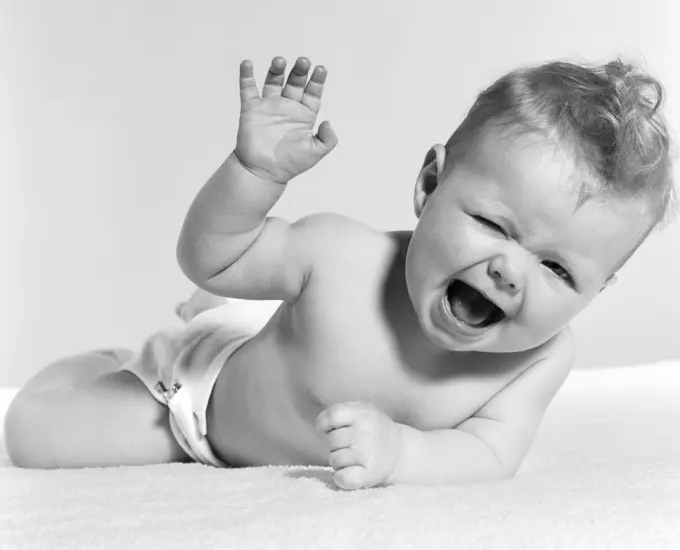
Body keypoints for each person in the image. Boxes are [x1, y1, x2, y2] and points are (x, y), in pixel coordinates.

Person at [5, 55, 675, 490]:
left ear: (598, 289)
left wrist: (401, 454)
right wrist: (255, 175)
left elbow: (491, 451)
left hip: (277, 363)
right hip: (203, 405)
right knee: (32, 434)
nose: (507, 270)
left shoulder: (540, 357)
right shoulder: (339, 255)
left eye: (558, 268)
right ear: (430, 182)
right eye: (497, 226)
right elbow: (213, 256)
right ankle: (115, 359)